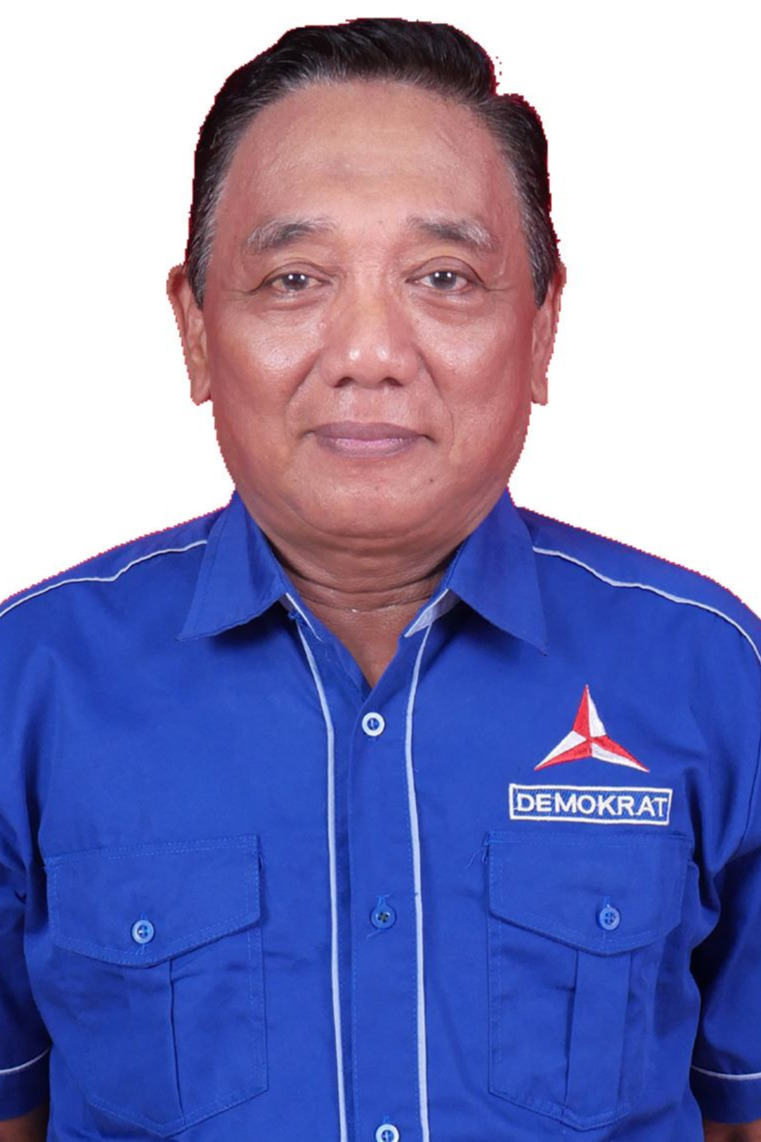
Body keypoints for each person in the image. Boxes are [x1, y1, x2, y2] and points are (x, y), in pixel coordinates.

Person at [0, 17, 759, 1142]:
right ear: (195, 330)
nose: (368, 353)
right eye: (294, 277)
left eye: (443, 277)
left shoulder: (709, 672)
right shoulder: (31, 684)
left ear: (541, 328)